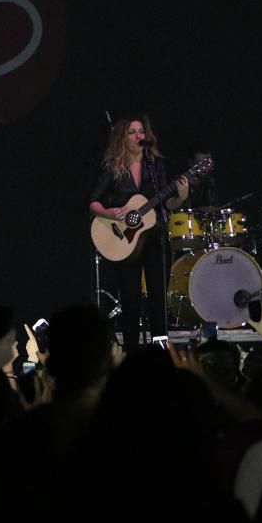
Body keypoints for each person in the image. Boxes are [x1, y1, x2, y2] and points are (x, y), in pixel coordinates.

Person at [89, 115, 188, 349]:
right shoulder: (114, 167)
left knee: (157, 297)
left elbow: (167, 205)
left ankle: (160, 347)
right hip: (123, 240)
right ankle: (131, 349)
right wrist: (111, 213)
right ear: (123, 137)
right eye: (132, 132)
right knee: (131, 298)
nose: (138, 136)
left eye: (141, 131)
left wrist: (181, 196)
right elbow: (93, 202)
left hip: (154, 238)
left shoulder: (157, 166)